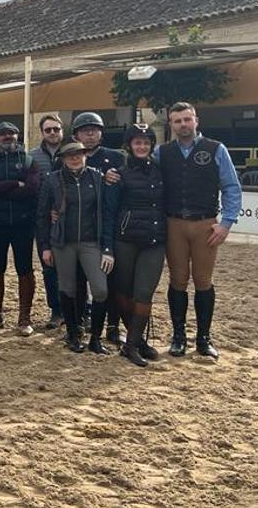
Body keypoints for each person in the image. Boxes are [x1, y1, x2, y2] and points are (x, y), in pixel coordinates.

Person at [156, 102, 242, 360]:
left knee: (203, 281)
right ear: (171, 124)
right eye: (177, 121)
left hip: (206, 224)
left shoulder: (216, 149)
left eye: (187, 119)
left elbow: (231, 187)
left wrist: (226, 223)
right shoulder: (163, 152)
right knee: (178, 281)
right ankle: (179, 336)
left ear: (196, 120)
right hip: (174, 224)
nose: (183, 124)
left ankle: (204, 338)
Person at [37, 142, 115, 354]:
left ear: (85, 155)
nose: (75, 158)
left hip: (91, 241)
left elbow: (107, 213)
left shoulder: (97, 178)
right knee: (68, 288)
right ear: (62, 158)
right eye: (69, 155)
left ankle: (96, 338)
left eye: (79, 154)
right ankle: (73, 334)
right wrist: (44, 246)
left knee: (100, 289)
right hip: (63, 242)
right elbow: (43, 215)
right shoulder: (52, 180)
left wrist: (107, 247)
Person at [105, 125, 166, 367]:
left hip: (154, 239)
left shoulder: (161, 171)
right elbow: (110, 213)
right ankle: (137, 339)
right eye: (137, 142)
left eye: (146, 142)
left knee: (144, 293)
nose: (141, 146)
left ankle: (130, 345)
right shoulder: (118, 174)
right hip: (126, 239)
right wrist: (108, 247)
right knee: (123, 291)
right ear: (129, 145)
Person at [0, 121, 40, 335]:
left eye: (11, 134)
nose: (7, 137)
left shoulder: (28, 160)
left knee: (25, 269)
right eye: (2, 134)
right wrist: (14, 184)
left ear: (17, 136)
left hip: (23, 223)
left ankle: (24, 317)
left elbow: (31, 190)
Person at [66, 111, 126, 343]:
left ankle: (112, 325)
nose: (90, 134)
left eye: (94, 130)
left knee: (111, 280)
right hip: (81, 227)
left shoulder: (116, 158)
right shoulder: (70, 157)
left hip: (107, 225)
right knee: (79, 279)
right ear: (76, 135)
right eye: (85, 130)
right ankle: (79, 322)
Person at [29, 114, 64, 329]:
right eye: (48, 129)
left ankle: (78, 310)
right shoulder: (32, 157)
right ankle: (56, 311)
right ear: (42, 132)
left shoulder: (73, 151)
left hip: (69, 219)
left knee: (73, 267)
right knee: (49, 266)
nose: (52, 133)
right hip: (42, 220)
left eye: (56, 129)